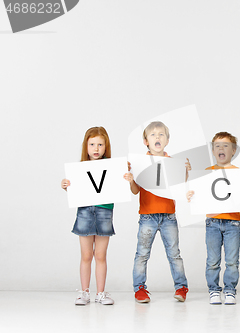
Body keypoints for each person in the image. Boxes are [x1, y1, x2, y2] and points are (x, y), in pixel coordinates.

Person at [187, 132, 240, 305]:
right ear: (212, 150)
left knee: (232, 260)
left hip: (233, 222)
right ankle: (213, 290)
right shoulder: (206, 173)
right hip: (212, 222)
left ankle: (230, 290)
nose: (221, 148)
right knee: (213, 260)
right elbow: (198, 195)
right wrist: (191, 194)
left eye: (225, 145)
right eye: (217, 145)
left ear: (233, 151)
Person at [124, 121, 189, 303]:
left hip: (169, 215)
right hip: (147, 216)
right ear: (146, 141)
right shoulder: (140, 163)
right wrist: (131, 179)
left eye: (161, 134)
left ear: (167, 140)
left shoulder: (172, 162)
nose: (157, 137)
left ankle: (181, 287)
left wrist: (185, 172)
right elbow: (136, 191)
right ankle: (139, 289)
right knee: (142, 254)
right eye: (153, 135)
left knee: (174, 253)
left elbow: (179, 187)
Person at [61, 126, 116, 305]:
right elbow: (75, 188)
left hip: (104, 211)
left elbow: (120, 185)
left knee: (100, 255)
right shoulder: (79, 168)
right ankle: (84, 292)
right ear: (86, 146)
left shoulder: (111, 167)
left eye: (100, 144)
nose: (96, 148)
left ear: (106, 147)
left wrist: (125, 176)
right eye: (92, 144)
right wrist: (66, 185)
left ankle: (100, 293)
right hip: (85, 211)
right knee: (86, 255)